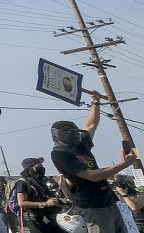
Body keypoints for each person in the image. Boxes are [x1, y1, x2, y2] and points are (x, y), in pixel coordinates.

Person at [51, 90, 138, 233]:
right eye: (70, 132)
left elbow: (91, 125)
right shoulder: (60, 154)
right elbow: (92, 176)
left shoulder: (79, 144)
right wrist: (122, 165)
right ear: (59, 135)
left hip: (108, 200)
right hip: (91, 205)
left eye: (75, 132)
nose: (75, 134)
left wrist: (96, 102)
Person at [14, 157, 62, 233]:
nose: (42, 168)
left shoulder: (39, 181)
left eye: (42, 166)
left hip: (46, 216)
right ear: (30, 169)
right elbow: (22, 203)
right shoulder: (22, 182)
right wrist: (45, 204)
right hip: (33, 220)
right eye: (39, 166)